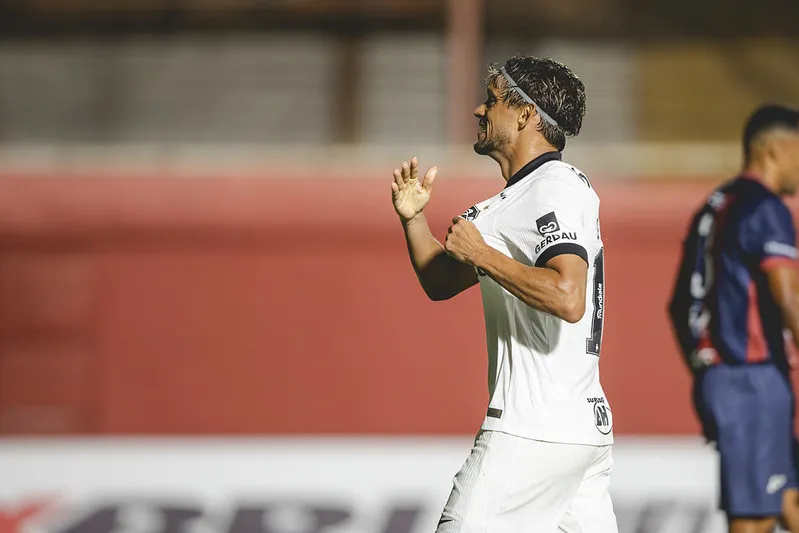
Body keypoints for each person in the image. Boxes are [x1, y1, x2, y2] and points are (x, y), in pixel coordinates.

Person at [390, 56, 617, 532]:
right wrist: (414, 220)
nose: (478, 109)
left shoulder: (551, 187)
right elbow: (439, 282)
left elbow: (568, 296)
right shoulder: (517, 199)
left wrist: (483, 255)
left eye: (491, 99)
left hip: (531, 431)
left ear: (525, 114)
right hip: (578, 431)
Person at [667, 104, 799, 533]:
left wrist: (706, 373)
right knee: (755, 520)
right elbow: (789, 297)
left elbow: (677, 304)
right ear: (777, 148)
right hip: (751, 381)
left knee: (788, 501)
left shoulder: (714, 205)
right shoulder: (766, 208)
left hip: (728, 379)